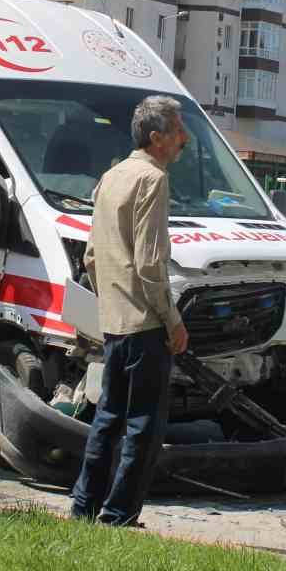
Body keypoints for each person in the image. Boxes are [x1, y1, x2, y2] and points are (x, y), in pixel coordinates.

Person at [69, 96, 191, 527]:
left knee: (107, 420)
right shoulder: (152, 180)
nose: (185, 139)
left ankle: (83, 508)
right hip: (145, 324)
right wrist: (173, 320)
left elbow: (90, 258)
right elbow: (150, 263)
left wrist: (111, 301)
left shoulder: (111, 176)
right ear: (156, 138)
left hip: (114, 323)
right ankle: (119, 515)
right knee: (142, 427)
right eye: (178, 130)